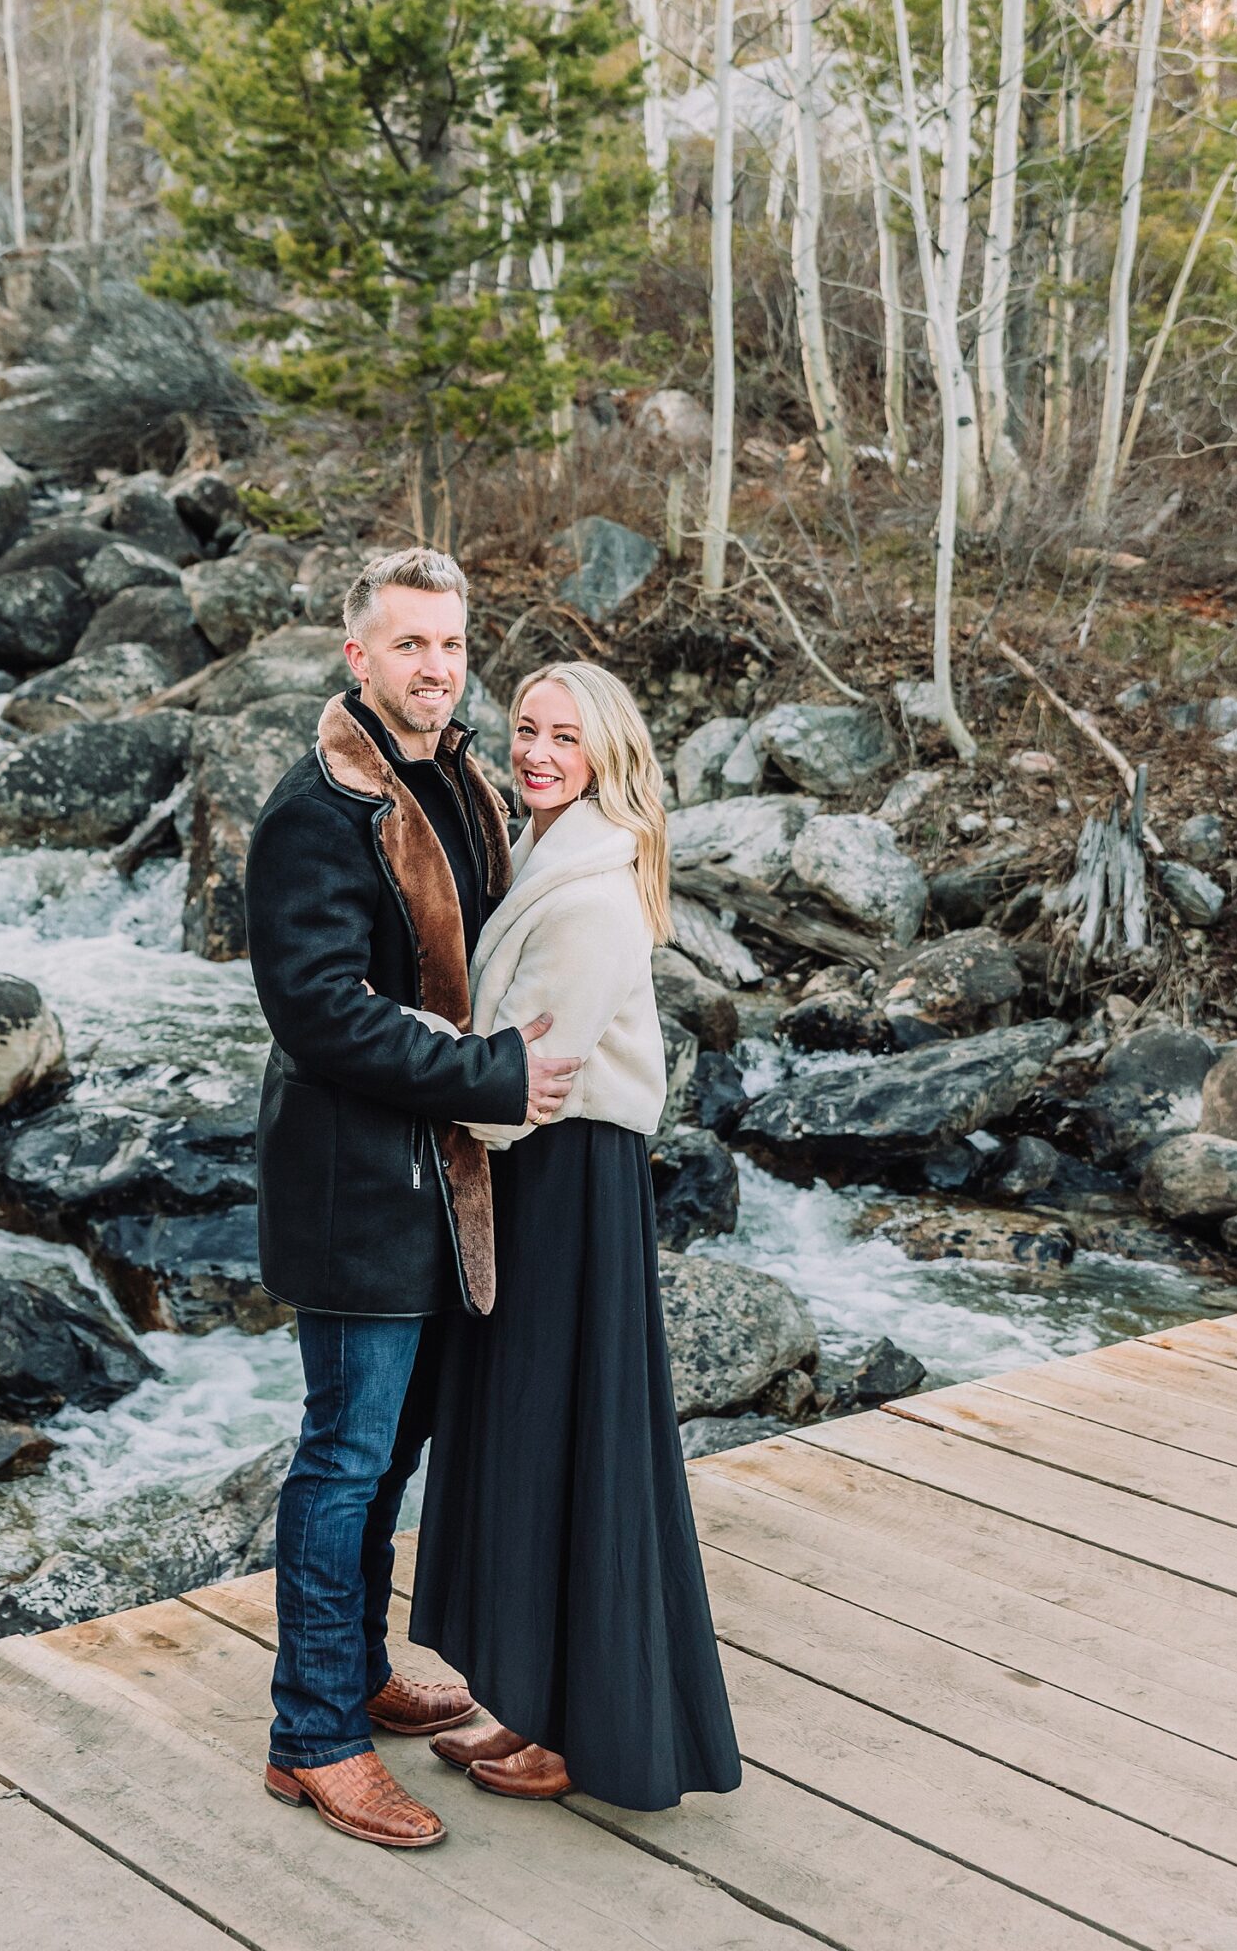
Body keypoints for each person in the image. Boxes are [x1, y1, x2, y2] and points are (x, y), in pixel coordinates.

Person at [243, 548, 580, 1852]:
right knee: (342, 1458)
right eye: (408, 645)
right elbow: (321, 1013)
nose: (435, 667)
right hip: (357, 1195)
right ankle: (313, 1736)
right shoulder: (315, 809)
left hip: (443, 1185)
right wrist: (494, 1074)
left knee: (389, 1457)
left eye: (450, 644)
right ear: (358, 657)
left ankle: (358, 1672)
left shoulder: (457, 778)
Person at [409, 660, 742, 1810]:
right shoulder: (548, 849)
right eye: (525, 730)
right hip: (541, 1175)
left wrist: (401, 1069)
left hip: (565, 1178)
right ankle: (531, 1701)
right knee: (528, 1440)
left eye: (563, 736)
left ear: (604, 751)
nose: (537, 753)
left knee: (568, 1444)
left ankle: (580, 1732)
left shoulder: (593, 888)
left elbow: (527, 1071)